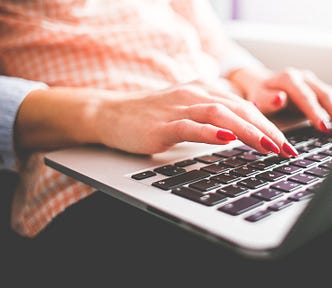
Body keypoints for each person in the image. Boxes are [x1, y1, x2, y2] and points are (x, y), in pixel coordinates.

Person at [0, 0, 331, 243]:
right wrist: (106, 112)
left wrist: (251, 76)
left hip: (231, 134)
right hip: (95, 177)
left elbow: (209, 39)